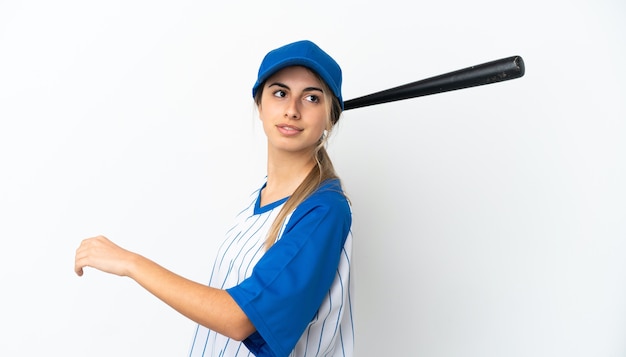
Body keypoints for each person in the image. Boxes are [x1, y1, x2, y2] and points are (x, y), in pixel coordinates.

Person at [74, 39, 354, 357]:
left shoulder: (323, 211)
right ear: (260, 106)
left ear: (330, 118)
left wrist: (130, 262)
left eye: (312, 98)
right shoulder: (258, 199)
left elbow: (238, 319)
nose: (292, 109)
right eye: (280, 93)